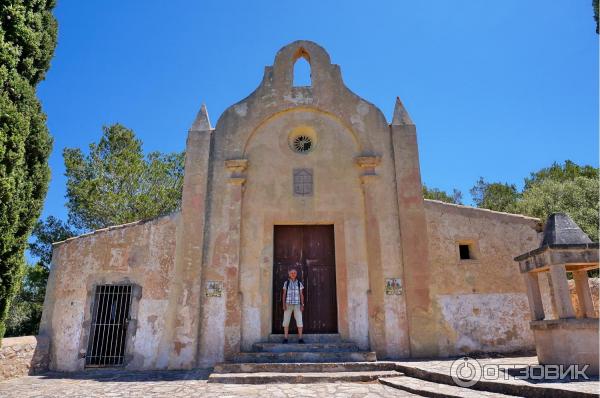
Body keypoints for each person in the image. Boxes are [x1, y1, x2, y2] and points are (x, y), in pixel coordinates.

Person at [282, 268, 305, 344]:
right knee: (286, 321)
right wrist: (284, 304)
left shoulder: (299, 283)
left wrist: (302, 304)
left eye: (294, 273)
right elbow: (284, 294)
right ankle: (285, 338)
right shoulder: (286, 283)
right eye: (291, 273)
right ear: (289, 274)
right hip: (288, 304)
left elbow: (301, 294)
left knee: (299, 321)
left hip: (297, 305)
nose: (293, 274)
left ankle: (300, 338)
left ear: (296, 274)